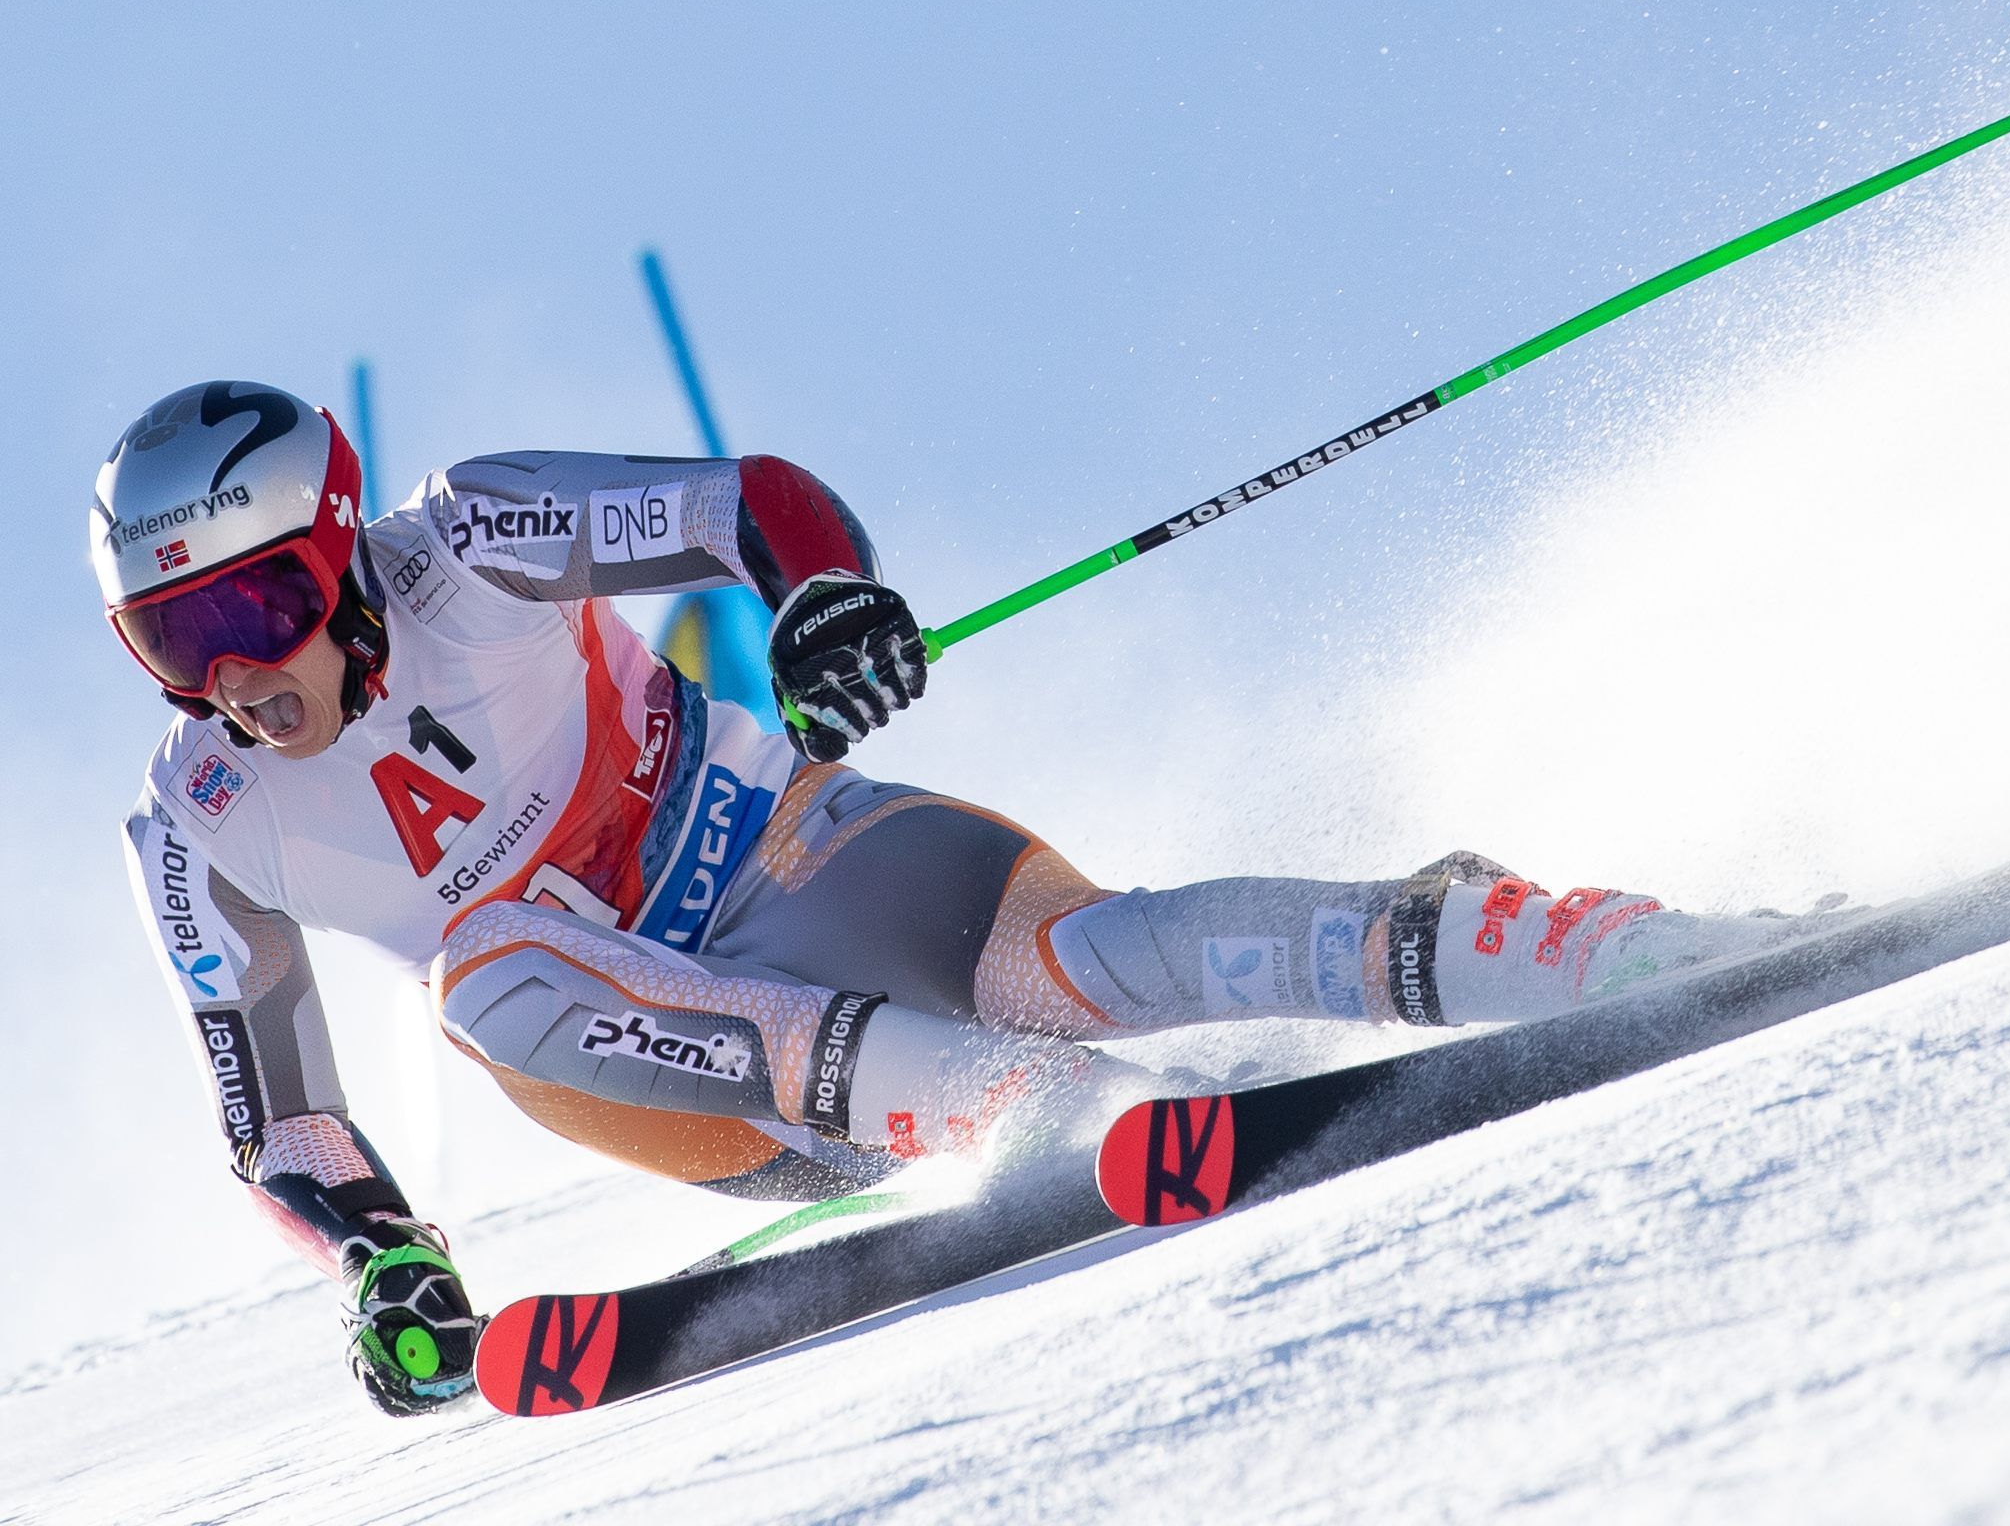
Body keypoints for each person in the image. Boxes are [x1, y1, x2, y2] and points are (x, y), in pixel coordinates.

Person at [97, 380, 1797, 1416]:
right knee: (492, 973)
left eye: (265, 608)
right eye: (175, 645)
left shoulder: (471, 539)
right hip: (675, 1067)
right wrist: (379, 1264)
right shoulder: (200, 818)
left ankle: (1568, 945)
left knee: (1093, 955)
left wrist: (821, 597)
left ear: (339, 547)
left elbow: (744, 506)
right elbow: (277, 1125)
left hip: (806, 861)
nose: (236, 679)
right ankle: (1040, 1117)